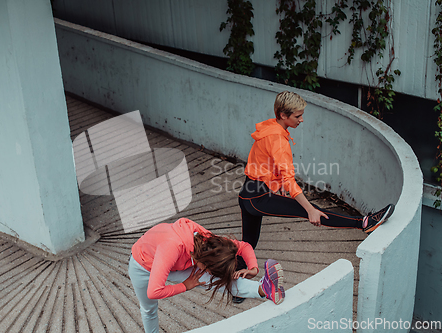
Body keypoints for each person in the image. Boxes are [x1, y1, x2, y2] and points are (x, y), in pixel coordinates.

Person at [234, 90, 394, 303]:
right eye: (297, 116)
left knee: (248, 243)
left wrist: (277, 184)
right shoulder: (278, 140)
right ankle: (364, 223)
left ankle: (236, 287)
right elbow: (289, 179)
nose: (302, 120)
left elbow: (260, 163)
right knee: (309, 209)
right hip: (257, 198)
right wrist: (309, 208)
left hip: (248, 195)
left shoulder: (269, 129)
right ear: (283, 115)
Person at [128, 217, 284, 333]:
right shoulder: (172, 247)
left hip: (180, 261)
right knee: (149, 309)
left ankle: (263, 289)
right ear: (206, 263)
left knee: (213, 279)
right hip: (143, 267)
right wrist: (185, 286)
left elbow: (244, 246)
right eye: (210, 270)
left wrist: (253, 268)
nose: (209, 273)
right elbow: (154, 291)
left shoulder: (211, 243)